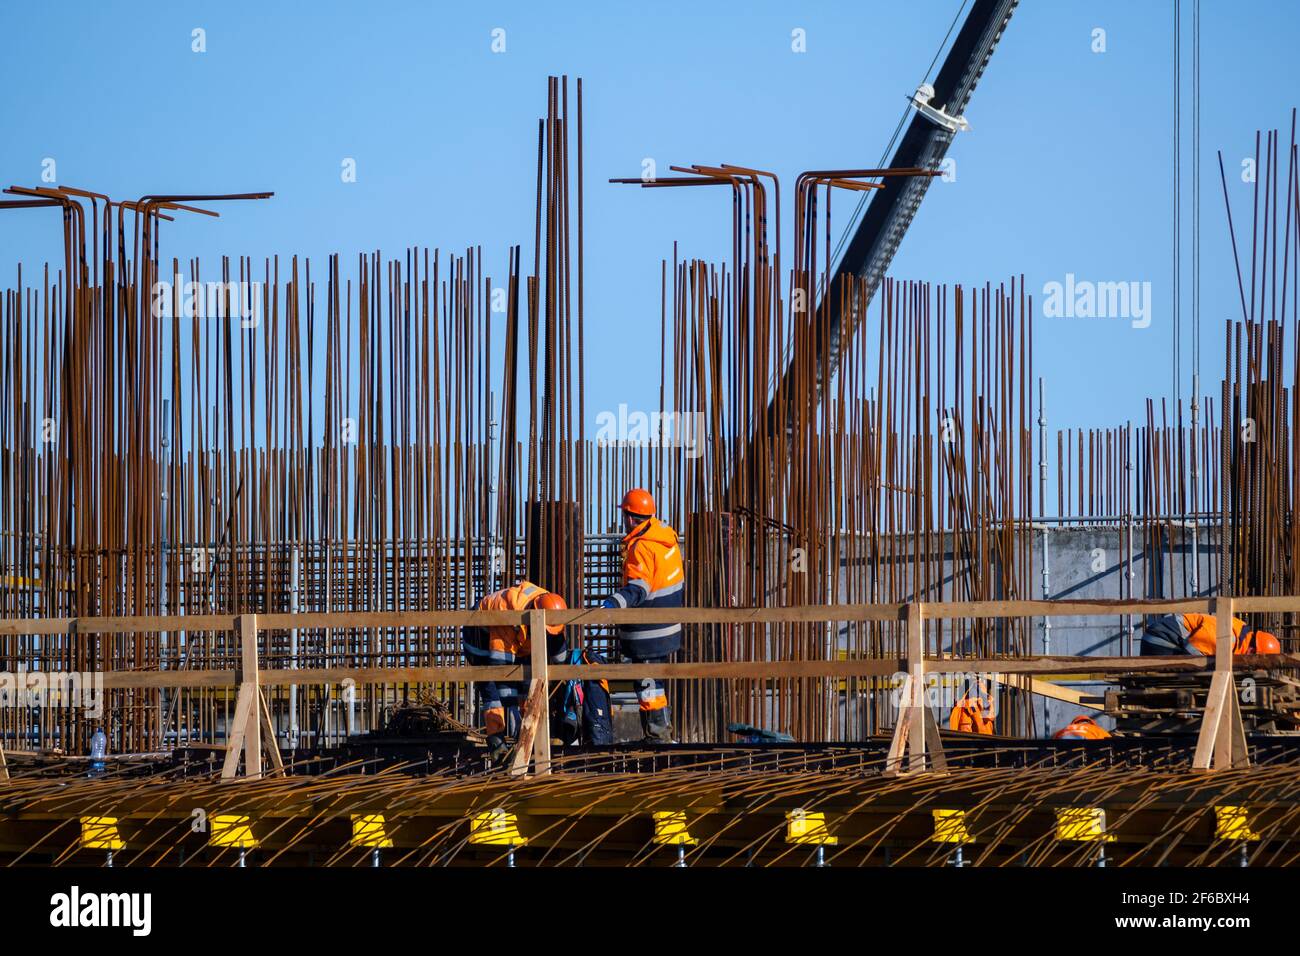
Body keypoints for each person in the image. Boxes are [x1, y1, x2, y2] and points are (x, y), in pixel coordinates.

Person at [598, 488, 684, 743]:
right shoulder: (665, 539)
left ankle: (657, 736)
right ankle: (661, 732)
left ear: (630, 516)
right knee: (655, 681)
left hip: (648, 631)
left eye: (624, 515)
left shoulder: (642, 547)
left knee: (646, 683)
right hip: (667, 626)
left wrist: (611, 605)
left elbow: (639, 587)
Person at [462, 581, 568, 763]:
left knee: (527, 687)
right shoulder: (508, 614)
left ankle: (526, 738)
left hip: (519, 638)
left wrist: (562, 665)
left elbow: (557, 645)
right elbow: (501, 672)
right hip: (480, 635)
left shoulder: (549, 605)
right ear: (534, 612)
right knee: (493, 691)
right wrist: (513, 713)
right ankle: (497, 743)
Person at [1141, 612, 1282, 657]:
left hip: (1165, 640)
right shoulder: (1229, 639)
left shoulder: (1240, 633)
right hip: (1160, 639)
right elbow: (1192, 647)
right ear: (1252, 651)